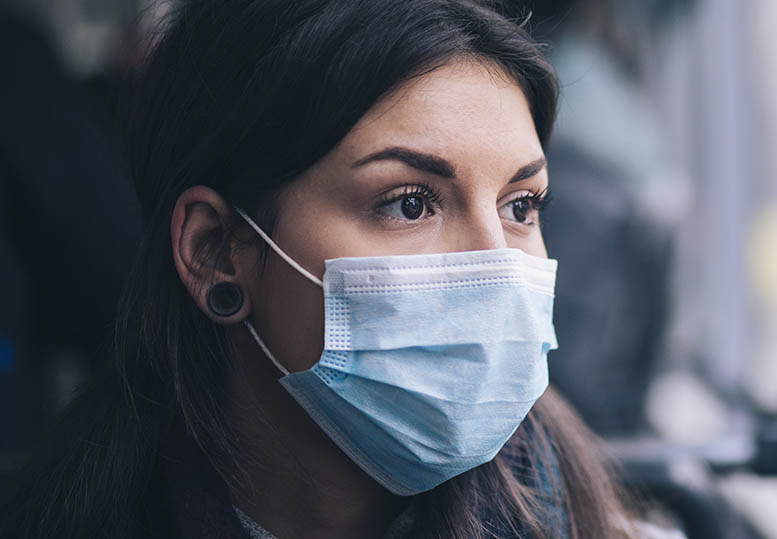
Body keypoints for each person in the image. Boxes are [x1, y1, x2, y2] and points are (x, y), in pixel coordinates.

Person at [0, 1, 642, 537]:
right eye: (410, 203)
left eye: (520, 205)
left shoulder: (577, 512)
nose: (494, 268)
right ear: (216, 250)